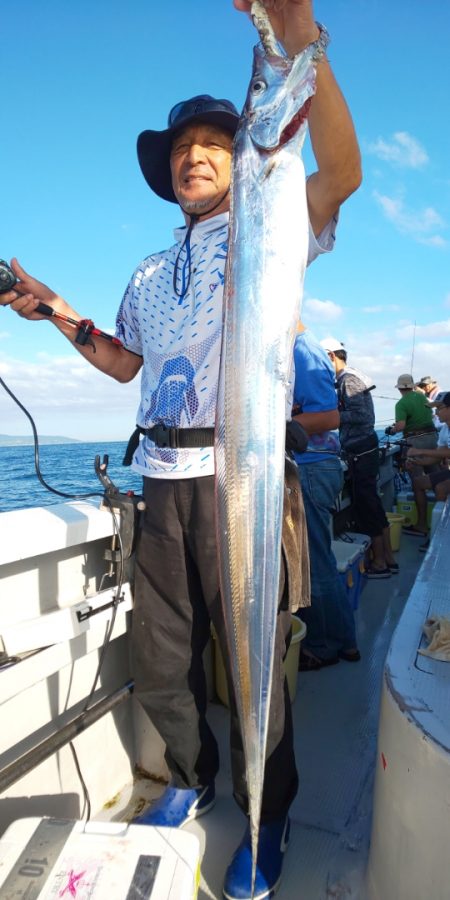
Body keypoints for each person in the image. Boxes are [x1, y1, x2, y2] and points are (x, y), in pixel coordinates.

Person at [0, 3, 361, 897]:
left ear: (245, 155)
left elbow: (341, 175)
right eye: (180, 149)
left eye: (213, 141)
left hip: (241, 476)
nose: (195, 155)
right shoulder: (148, 274)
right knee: (162, 657)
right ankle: (192, 783)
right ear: (167, 176)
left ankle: (269, 816)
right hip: (159, 480)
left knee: (254, 659)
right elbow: (125, 365)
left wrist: (304, 45)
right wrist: (49, 309)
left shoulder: (271, 223)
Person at [291, 322, 360, 669]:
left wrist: (275, 422)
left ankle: (324, 644)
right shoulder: (293, 347)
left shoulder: (301, 348)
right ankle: (344, 641)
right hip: (308, 469)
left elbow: (330, 416)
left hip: (309, 468)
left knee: (314, 564)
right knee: (315, 560)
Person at [321, 339, 397, 579]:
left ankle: (380, 562)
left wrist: (329, 415)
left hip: (361, 451)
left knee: (366, 505)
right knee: (372, 503)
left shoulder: (348, 380)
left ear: (331, 356)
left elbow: (360, 414)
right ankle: (389, 558)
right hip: (364, 449)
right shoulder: (348, 378)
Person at [404, 391, 450, 548]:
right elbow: (437, 457)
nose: (436, 412)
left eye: (440, 408)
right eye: (435, 409)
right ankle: (422, 525)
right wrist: (416, 462)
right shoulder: (444, 429)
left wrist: (420, 451)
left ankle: (439, 537)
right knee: (418, 483)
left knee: (441, 488)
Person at [385, 374, 438, 478]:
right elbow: (430, 415)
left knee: (417, 477)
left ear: (399, 388)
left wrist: (391, 430)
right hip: (433, 438)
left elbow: (400, 426)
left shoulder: (401, 404)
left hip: (416, 442)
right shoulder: (422, 397)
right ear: (412, 386)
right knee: (436, 475)